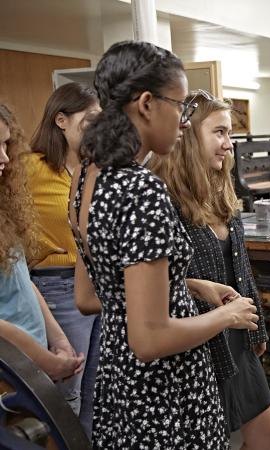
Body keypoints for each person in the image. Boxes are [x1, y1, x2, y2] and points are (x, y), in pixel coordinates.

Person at [69, 40, 259, 449]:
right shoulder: (143, 190)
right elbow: (150, 338)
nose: (185, 122)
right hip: (165, 396)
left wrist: (188, 286)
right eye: (178, 105)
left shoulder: (88, 177)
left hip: (121, 390)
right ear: (146, 104)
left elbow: (90, 295)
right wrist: (226, 317)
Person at [150, 91, 270, 449]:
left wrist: (257, 327)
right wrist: (194, 285)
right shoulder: (165, 199)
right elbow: (159, 278)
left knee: (265, 430)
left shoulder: (220, 190)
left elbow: (241, 268)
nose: (228, 144)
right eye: (219, 133)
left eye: (230, 135)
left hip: (236, 330)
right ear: (189, 135)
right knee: (209, 439)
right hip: (197, 337)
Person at [25, 82, 101, 436]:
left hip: (98, 285)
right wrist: (35, 249)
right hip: (57, 287)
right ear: (61, 120)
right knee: (66, 392)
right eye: (90, 120)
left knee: (96, 392)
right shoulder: (31, 168)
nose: (97, 129)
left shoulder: (92, 170)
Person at [0, 102, 85, 383]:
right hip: (13, 367)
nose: (5, 158)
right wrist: (46, 361)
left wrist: (59, 340)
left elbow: (22, 282)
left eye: (6, 146)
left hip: (29, 365)